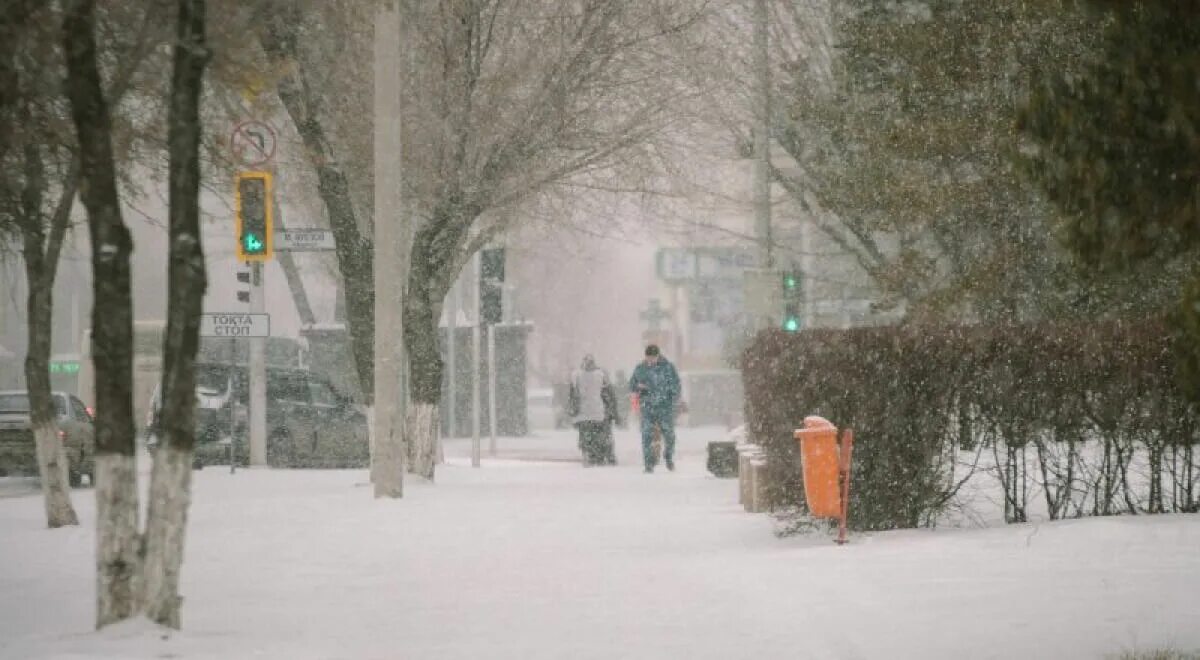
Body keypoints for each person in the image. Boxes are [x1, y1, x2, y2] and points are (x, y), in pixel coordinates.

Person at [628, 344, 681, 473]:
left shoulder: (668, 368)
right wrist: (639, 389)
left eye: (653, 358)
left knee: (669, 436)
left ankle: (668, 457)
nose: (650, 360)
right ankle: (648, 464)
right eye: (648, 358)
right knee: (646, 436)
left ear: (658, 356)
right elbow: (632, 385)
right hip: (647, 407)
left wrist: (672, 400)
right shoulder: (640, 368)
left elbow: (676, 385)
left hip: (664, 408)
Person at [568, 354, 617, 466]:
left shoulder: (576, 375)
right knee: (598, 436)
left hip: (583, 413)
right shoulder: (600, 375)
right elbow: (608, 394)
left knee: (586, 435)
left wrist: (572, 410)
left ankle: (588, 455)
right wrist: (611, 410)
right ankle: (598, 456)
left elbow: (572, 395)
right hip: (597, 412)